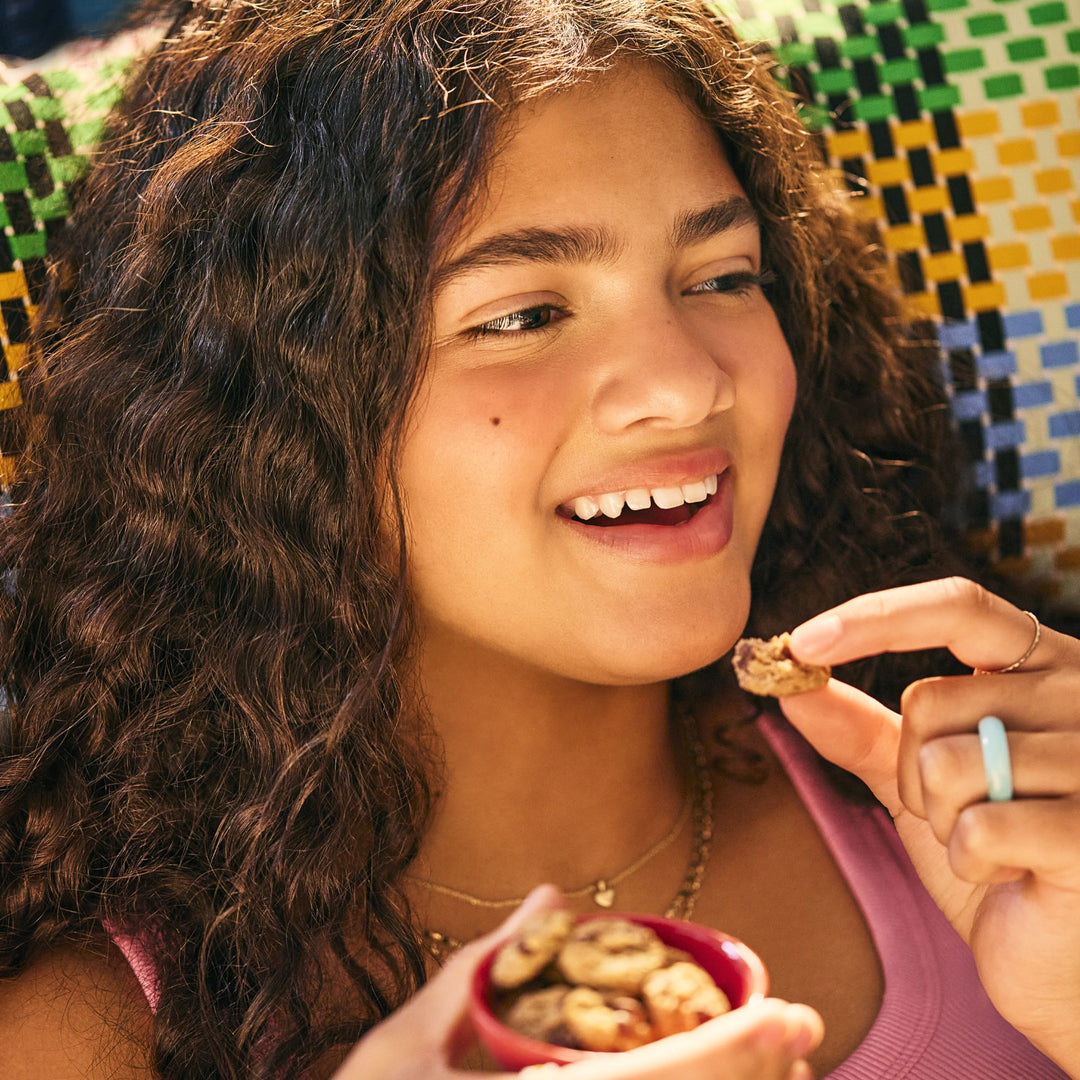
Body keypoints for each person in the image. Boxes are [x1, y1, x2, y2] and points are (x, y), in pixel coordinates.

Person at [0, 1, 1076, 1078]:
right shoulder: (89, 1036)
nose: (686, 382)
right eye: (521, 315)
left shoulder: (1007, 811)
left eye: (721, 279)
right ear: (265, 411)